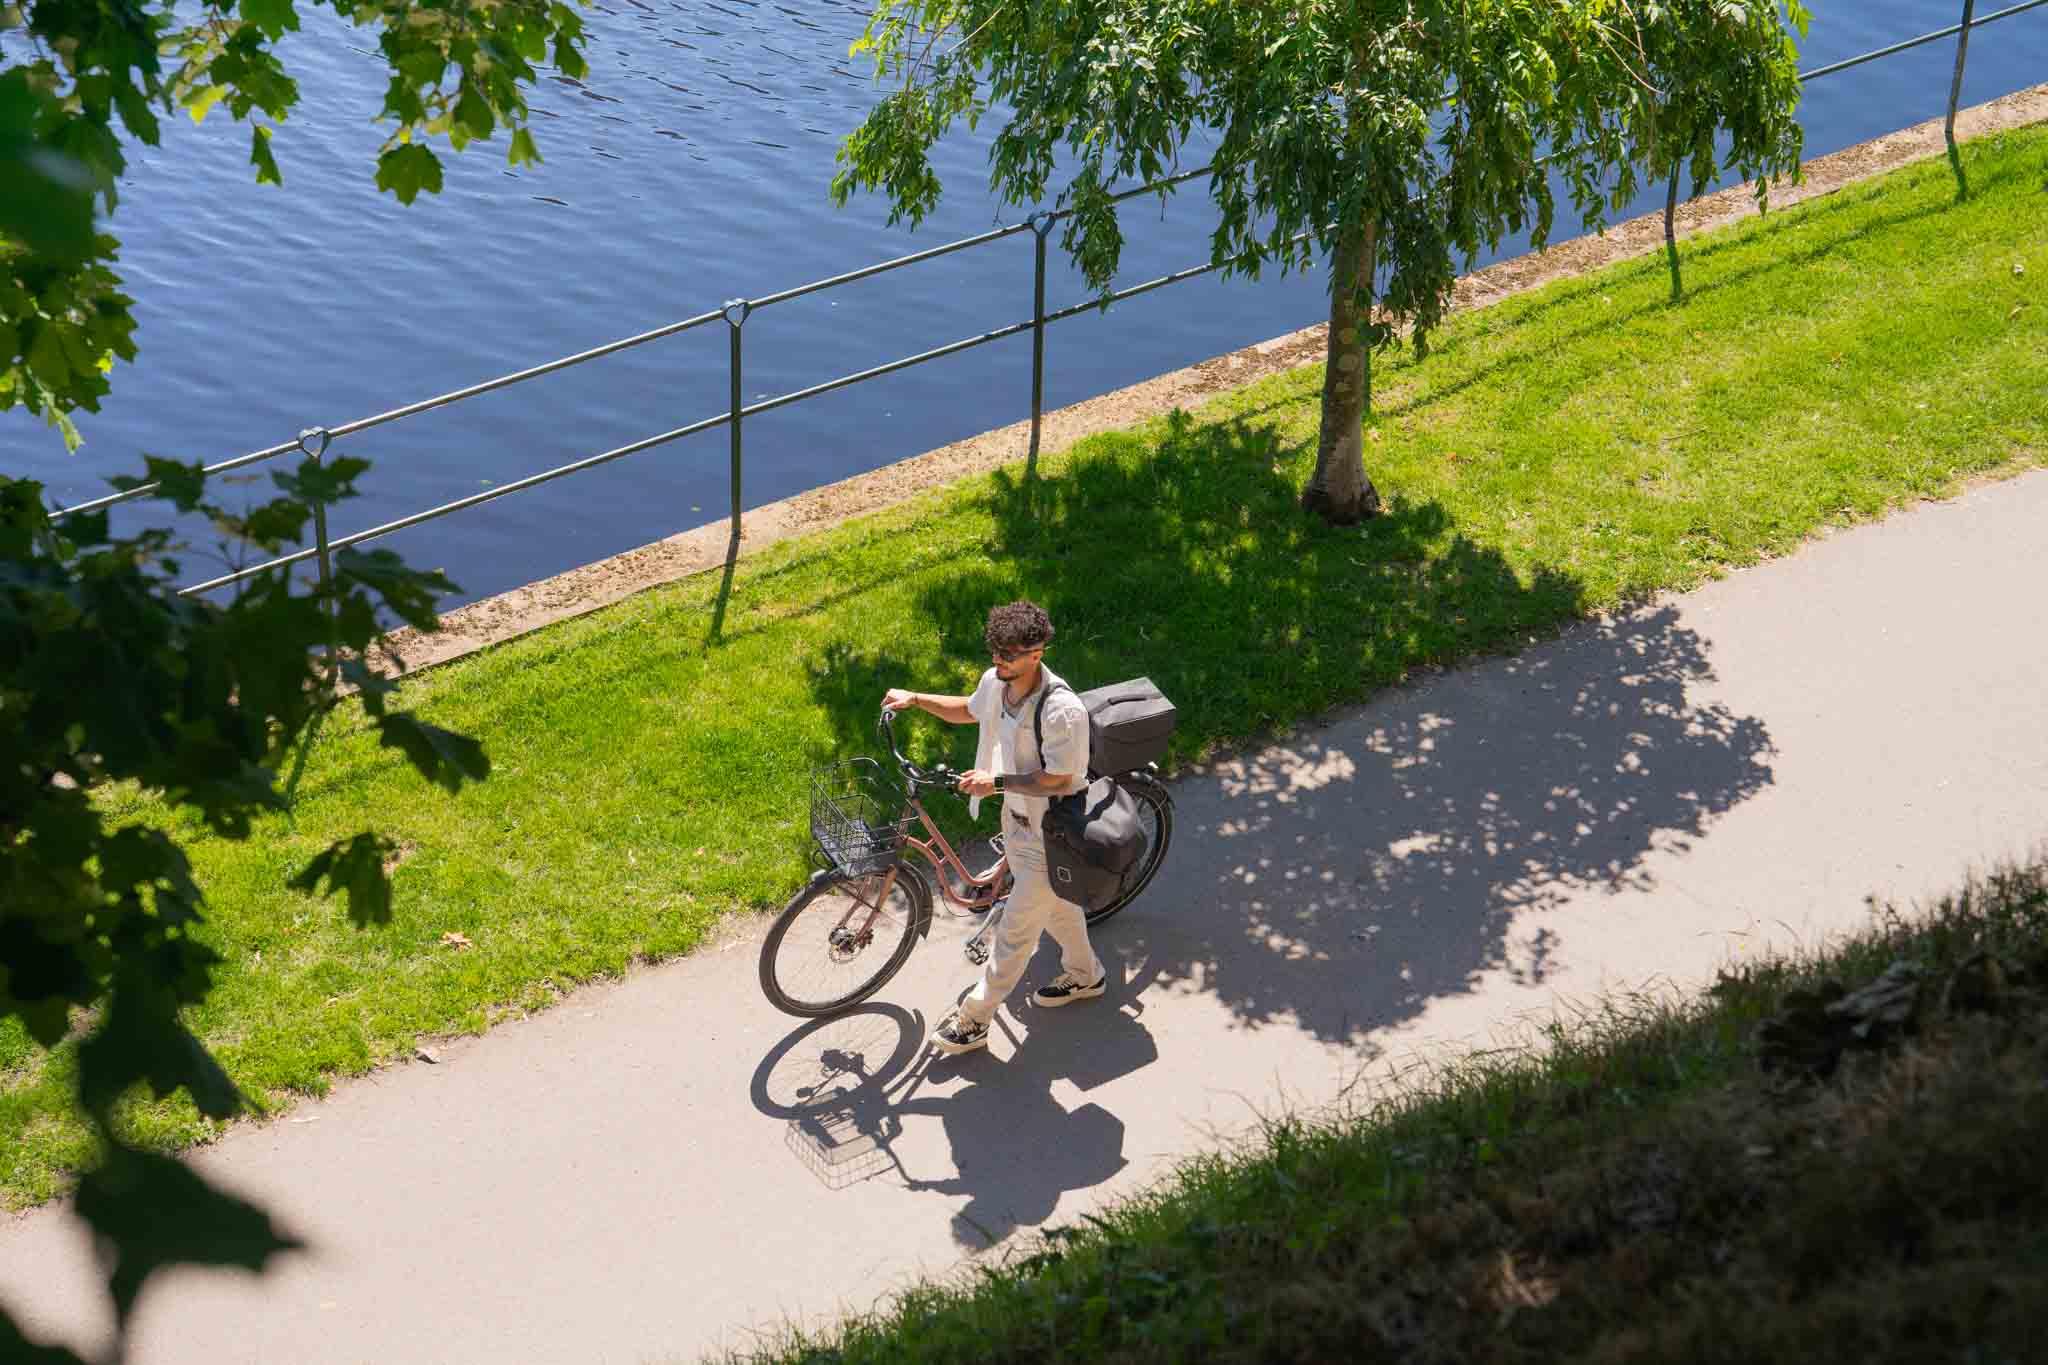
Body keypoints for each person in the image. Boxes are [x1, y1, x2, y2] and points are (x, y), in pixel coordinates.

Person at [882, 600, 1106, 1055]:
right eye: (995, 650)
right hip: (1018, 823)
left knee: (1014, 936)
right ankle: (1087, 976)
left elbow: (1062, 778)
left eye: (1007, 654)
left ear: (1037, 652)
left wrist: (998, 782)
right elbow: (969, 709)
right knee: (1056, 908)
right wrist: (917, 699)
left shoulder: (1061, 711)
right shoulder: (997, 682)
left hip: (1052, 836)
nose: (997, 660)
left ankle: (974, 1019)